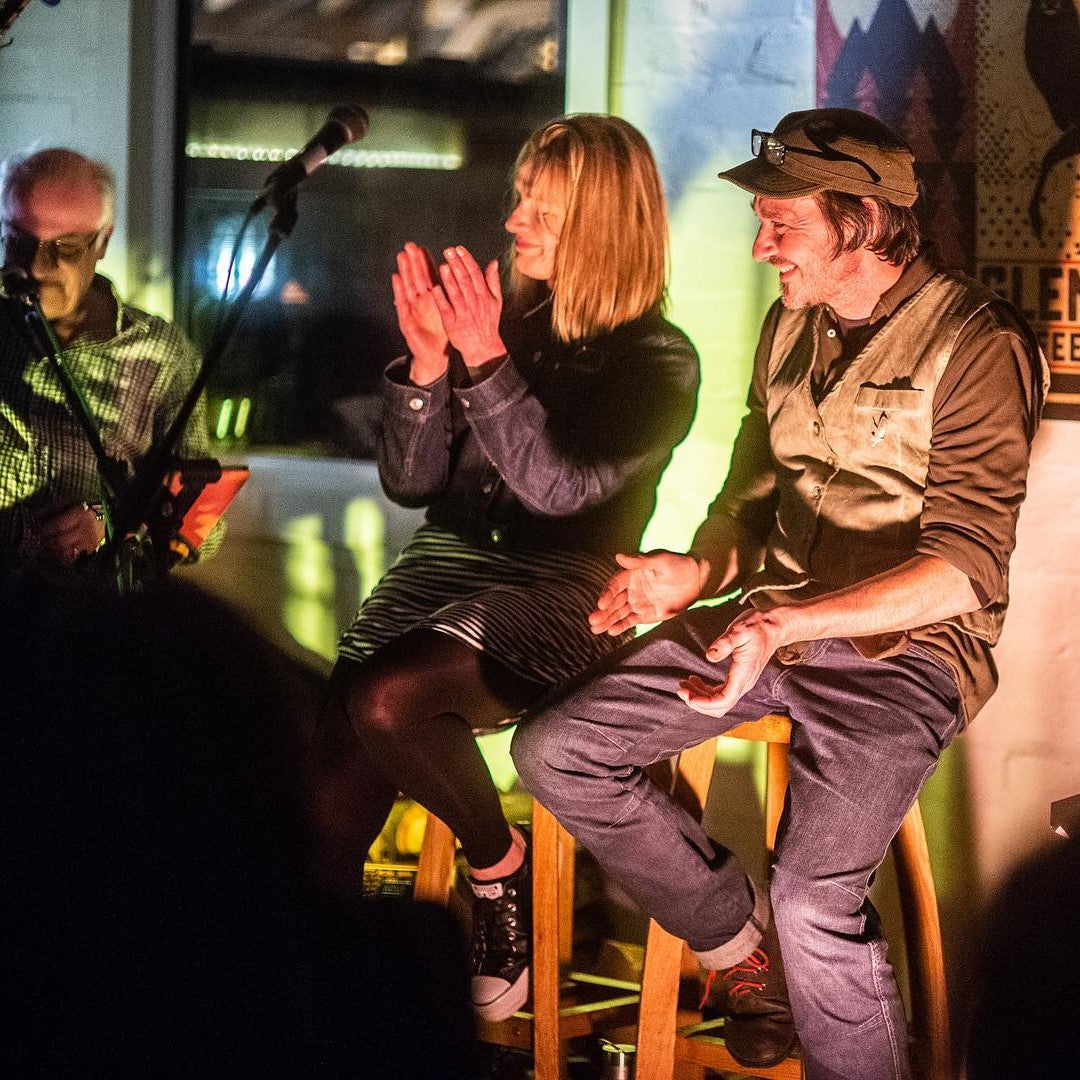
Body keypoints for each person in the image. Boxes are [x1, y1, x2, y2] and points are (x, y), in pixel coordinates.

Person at [512, 108, 1047, 1079]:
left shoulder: (976, 344)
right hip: (771, 624)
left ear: (861, 220)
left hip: (905, 657)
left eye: (781, 224)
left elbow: (967, 567)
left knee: (814, 896)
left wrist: (787, 619)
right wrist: (695, 570)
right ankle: (741, 951)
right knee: (557, 748)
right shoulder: (786, 328)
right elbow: (744, 505)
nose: (762, 248)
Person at [309, 114, 700, 1023]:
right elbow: (413, 486)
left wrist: (481, 360)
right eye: (520, 195)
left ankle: (498, 872)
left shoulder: (658, 360)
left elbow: (559, 489)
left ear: (602, 226)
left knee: (383, 698)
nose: (515, 217)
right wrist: (427, 366)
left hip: (562, 589)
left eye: (543, 208)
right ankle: (335, 1009)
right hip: (444, 559)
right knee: (326, 793)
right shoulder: (504, 325)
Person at [0, 148, 215, 577]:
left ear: (102, 242)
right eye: (17, 241)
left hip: (94, 617)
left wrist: (108, 525)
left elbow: (203, 520)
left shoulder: (162, 357)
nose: (36, 268)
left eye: (64, 247)